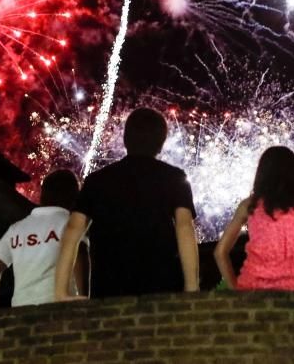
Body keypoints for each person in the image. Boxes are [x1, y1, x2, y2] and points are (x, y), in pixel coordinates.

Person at [55, 107, 199, 299]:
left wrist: (60, 292)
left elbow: (73, 230)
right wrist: (191, 287)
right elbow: (184, 227)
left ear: (125, 139)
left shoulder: (96, 180)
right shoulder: (175, 177)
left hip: (107, 291)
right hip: (162, 289)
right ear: (161, 143)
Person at [214, 146, 294, 290]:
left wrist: (236, 290)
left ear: (261, 174)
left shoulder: (249, 205)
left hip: (253, 291)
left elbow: (220, 252)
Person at [0, 169, 89, 310]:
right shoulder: (71, 224)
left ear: (42, 194)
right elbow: (80, 257)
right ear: (74, 196)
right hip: (60, 308)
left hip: (21, 309)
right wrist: (85, 301)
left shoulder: (17, 228)